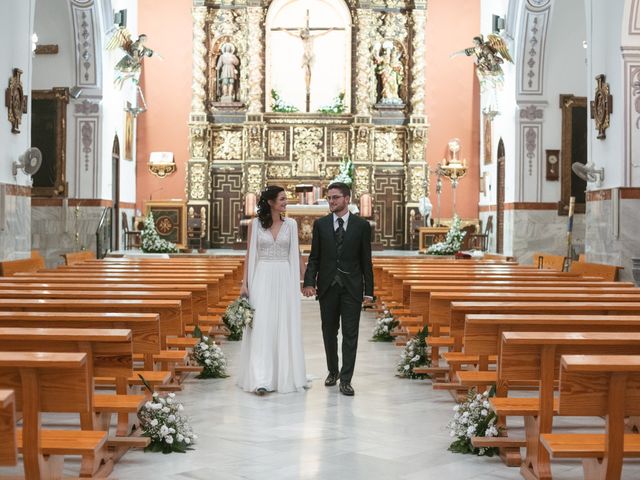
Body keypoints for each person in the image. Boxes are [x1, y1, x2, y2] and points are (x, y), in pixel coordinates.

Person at [302, 182, 374, 396]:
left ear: (347, 199)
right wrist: (308, 282)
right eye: (329, 198)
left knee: (350, 334)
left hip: (352, 287)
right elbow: (314, 257)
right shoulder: (321, 224)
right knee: (329, 332)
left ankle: (346, 379)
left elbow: (365, 260)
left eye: (335, 198)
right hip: (328, 287)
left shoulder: (361, 226)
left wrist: (368, 290)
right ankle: (332, 371)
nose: (331, 201)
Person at [237, 186, 308, 395]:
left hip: (285, 277)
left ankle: (284, 374)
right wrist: (244, 283)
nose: (286, 202)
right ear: (270, 202)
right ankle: (261, 378)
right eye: (283, 199)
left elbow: (296, 254)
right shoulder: (255, 224)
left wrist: (306, 281)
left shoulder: (292, 225)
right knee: (263, 325)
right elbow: (250, 255)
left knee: (283, 323)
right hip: (263, 277)